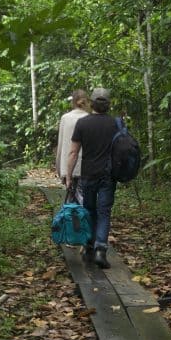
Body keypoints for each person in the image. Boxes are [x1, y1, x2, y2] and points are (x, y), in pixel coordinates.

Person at [65, 88, 118, 269]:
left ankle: (88, 246)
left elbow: (73, 152)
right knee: (104, 211)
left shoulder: (83, 123)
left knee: (88, 210)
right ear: (108, 105)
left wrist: (69, 176)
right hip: (108, 174)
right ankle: (100, 250)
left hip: (88, 174)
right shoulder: (116, 124)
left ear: (92, 103)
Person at [55, 90, 91, 201]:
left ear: (73, 102)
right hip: (86, 167)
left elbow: (60, 145)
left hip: (68, 166)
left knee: (71, 201)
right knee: (85, 199)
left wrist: (60, 169)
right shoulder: (90, 118)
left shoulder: (65, 118)